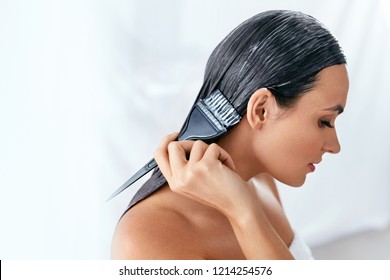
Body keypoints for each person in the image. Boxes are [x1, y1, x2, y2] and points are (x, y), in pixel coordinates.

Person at [111, 10, 349, 259]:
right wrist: (243, 212)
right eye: (324, 121)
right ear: (261, 110)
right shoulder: (148, 238)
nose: (335, 146)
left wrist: (243, 208)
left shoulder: (260, 182)